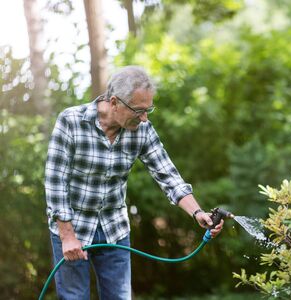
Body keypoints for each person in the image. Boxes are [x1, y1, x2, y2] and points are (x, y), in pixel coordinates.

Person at [45, 66, 223, 299]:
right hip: (70, 228)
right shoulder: (71, 121)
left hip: (114, 229)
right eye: (139, 110)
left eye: (148, 110)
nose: (145, 118)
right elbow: (55, 180)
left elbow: (168, 175)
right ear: (114, 102)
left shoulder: (142, 130)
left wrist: (197, 212)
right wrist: (67, 236)